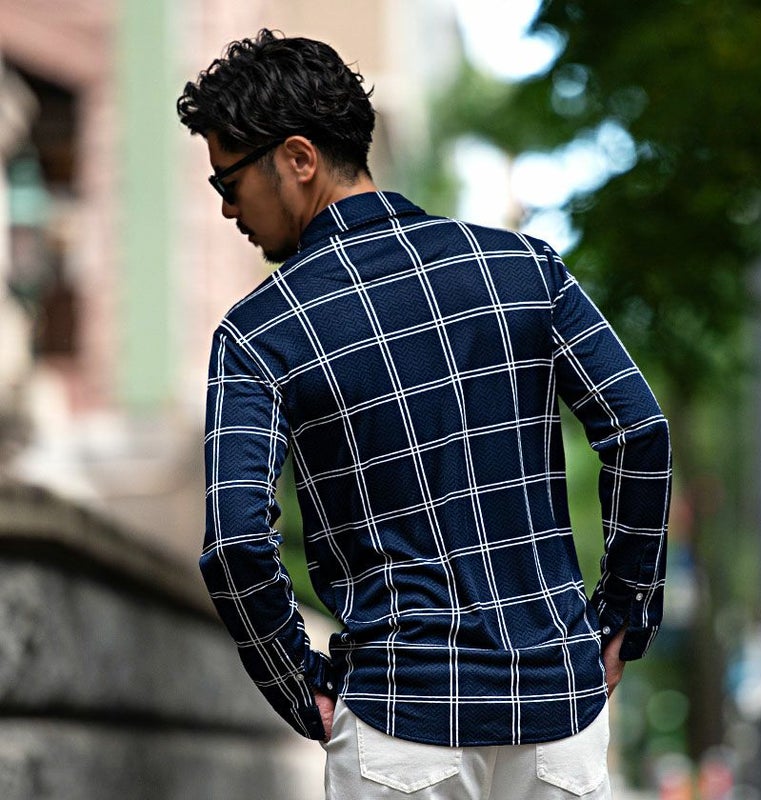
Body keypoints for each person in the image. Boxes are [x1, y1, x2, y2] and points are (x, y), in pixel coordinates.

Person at [177, 28, 671, 800]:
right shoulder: (524, 268)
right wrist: (622, 618)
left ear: (299, 159)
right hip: (559, 714)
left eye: (228, 181)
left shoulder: (261, 332)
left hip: (398, 724)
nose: (226, 208)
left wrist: (299, 685)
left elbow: (236, 543)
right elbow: (640, 432)